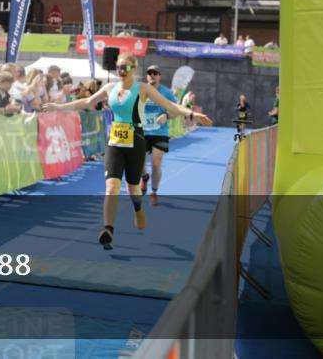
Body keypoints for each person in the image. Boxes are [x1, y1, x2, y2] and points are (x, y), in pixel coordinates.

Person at [44, 54, 211, 250]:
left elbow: (169, 105)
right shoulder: (109, 88)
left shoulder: (142, 88)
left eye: (126, 68)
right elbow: (87, 102)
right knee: (112, 187)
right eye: (119, 67)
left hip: (136, 143)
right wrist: (58, 107)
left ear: (134, 69)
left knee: (133, 188)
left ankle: (138, 209)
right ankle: (108, 230)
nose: (122, 71)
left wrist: (193, 113)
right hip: (115, 144)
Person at [139, 65, 178, 204]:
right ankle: (144, 177)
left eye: (155, 73)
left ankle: (154, 191)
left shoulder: (166, 93)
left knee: (156, 163)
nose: (152, 76)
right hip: (142, 131)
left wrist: (167, 115)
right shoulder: (140, 91)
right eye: (149, 73)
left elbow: (177, 110)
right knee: (140, 164)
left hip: (160, 132)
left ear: (159, 76)